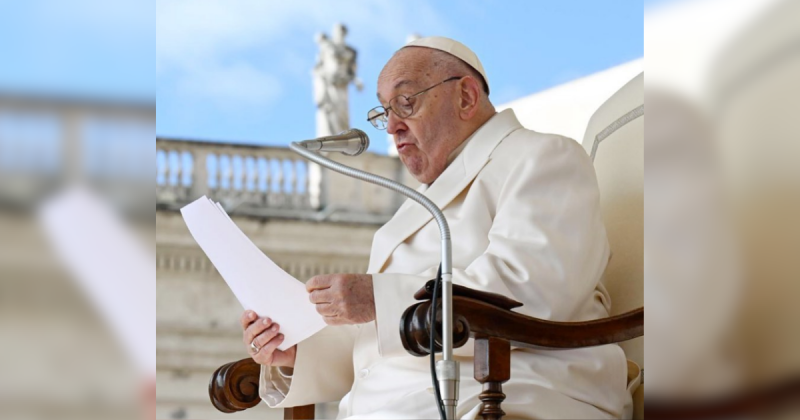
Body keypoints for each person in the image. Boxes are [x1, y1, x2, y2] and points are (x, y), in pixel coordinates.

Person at [241, 36, 633, 419]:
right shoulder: (411, 208)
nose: (393, 125)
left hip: (509, 392)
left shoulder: (542, 157)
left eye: (405, 102)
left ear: (465, 97)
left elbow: (531, 290)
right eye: (384, 112)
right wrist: (294, 351)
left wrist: (378, 299)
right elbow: (372, 343)